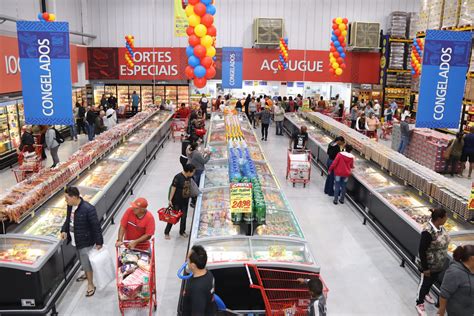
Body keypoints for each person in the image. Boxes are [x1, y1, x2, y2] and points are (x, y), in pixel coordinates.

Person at [60, 186, 103, 297]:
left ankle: (90, 284)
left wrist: (99, 242)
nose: (66, 201)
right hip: (75, 240)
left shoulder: (88, 209)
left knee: (86, 263)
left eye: (67, 198)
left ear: (74, 197)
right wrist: (64, 230)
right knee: (81, 260)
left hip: (85, 241)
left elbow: (96, 227)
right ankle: (86, 274)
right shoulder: (70, 206)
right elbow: (68, 219)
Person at [416, 208, 450, 316]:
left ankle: (426, 294)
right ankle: (419, 302)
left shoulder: (440, 228)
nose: (446, 219)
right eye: (445, 217)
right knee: (424, 283)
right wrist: (425, 268)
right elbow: (422, 250)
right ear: (439, 218)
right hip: (428, 266)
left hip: (438, 265)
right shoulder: (428, 231)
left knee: (430, 282)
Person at [438, 245, 474, 316]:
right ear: (472, 258)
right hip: (457, 312)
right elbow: (444, 295)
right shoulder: (454, 272)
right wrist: (441, 313)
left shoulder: (472, 269)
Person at [182, 245, 217, 315]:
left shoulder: (197, 289)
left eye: (188, 259)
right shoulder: (208, 274)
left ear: (193, 266)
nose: (186, 261)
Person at [165, 164, 196, 240]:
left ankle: (182, 231)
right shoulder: (178, 177)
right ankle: (167, 232)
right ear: (188, 171)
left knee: (184, 217)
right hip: (176, 201)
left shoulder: (189, 177)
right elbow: (173, 188)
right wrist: (170, 200)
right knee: (173, 217)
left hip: (185, 201)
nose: (193, 173)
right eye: (193, 172)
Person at [188, 142, 211, 207]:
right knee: (197, 185)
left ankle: (194, 199)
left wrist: (203, 154)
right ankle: (194, 201)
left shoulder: (193, 152)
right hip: (198, 170)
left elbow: (199, 159)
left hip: (195, 170)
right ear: (196, 147)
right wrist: (209, 155)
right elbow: (204, 161)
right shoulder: (196, 153)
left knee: (196, 184)